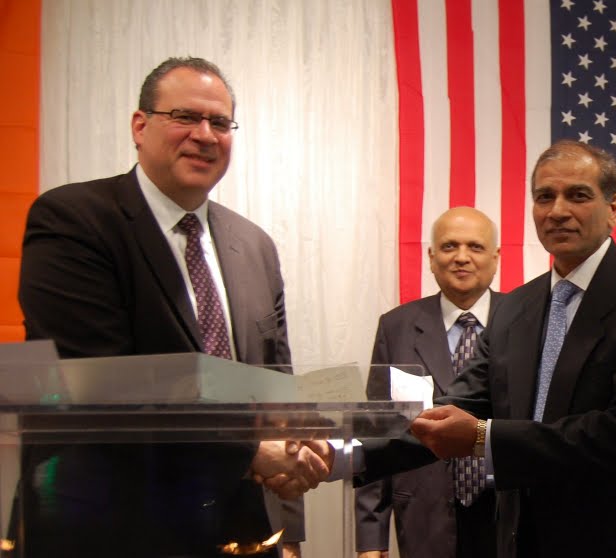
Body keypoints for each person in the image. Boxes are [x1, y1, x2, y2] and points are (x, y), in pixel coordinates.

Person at [17, 57, 323, 558]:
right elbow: (96, 386)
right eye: (185, 116)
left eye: (220, 123)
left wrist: (299, 459)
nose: (204, 135)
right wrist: (250, 453)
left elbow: (276, 386)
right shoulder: (75, 221)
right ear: (140, 127)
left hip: (243, 530)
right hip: (111, 530)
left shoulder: (256, 246)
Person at [408, 140, 616, 557]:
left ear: (614, 207)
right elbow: (456, 405)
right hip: (523, 542)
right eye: (545, 197)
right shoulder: (513, 308)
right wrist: (344, 452)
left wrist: (483, 437)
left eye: (577, 195)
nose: (557, 210)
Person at [355, 207, 501, 558]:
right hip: (423, 515)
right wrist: (371, 540)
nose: (461, 257)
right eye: (449, 246)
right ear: (431, 257)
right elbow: (377, 429)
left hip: (506, 513)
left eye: (475, 247)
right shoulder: (396, 327)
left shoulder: (525, 321)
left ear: (495, 257)